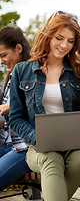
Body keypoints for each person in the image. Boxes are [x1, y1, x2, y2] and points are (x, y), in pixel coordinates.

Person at [8, 11, 80, 201]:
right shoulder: (22, 71)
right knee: (51, 158)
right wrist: (37, 137)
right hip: (40, 145)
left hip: (77, 144)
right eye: (59, 38)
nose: (64, 45)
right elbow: (15, 118)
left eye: (71, 41)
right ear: (48, 35)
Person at [0, 26, 31, 191]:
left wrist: (11, 106)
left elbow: (41, 104)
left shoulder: (34, 72)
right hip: (8, 144)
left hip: (24, 147)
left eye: (4, 55)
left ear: (18, 48)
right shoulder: (12, 75)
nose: (1, 61)